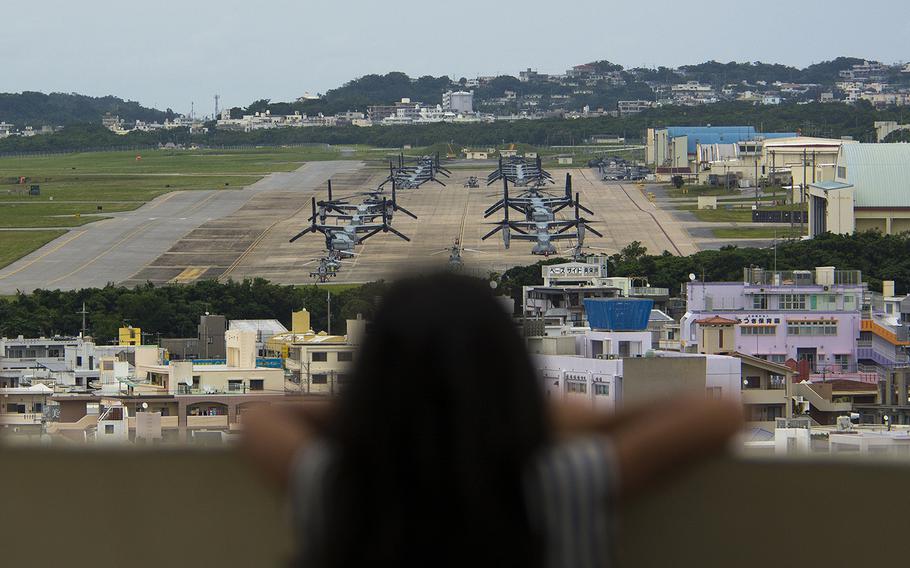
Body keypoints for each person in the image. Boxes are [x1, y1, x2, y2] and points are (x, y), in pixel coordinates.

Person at [243, 273, 742, 568]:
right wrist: (525, 413)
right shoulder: (557, 484)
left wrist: (393, 407)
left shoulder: (338, 491)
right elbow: (715, 413)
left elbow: (265, 418)